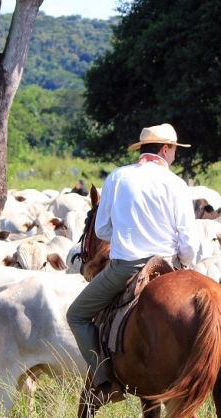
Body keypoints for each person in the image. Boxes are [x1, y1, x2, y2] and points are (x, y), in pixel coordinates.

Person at [66, 123, 200, 400]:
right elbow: (188, 241)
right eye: (174, 149)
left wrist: (127, 229)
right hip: (168, 267)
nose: (175, 155)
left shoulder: (117, 177)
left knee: (76, 315)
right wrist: (184, 265)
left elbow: (101, 230)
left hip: (126, 268)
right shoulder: (176, 184)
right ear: (165, 149)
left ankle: (105, 380)